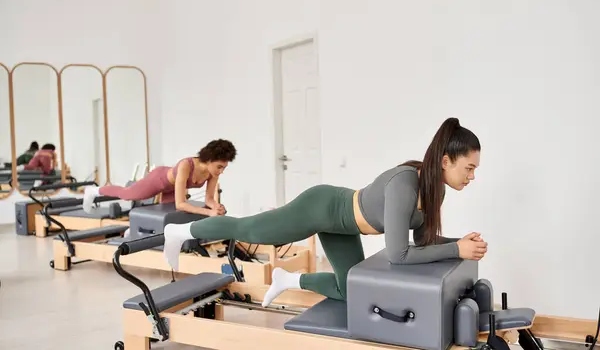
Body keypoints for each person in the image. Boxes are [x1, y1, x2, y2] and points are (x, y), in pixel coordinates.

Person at [162, 118, 487, 307]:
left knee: (349, 291)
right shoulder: (405, 184)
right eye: (469, 168)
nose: (472, 177)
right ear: (446, 161)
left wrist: (459, 242)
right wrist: (456, 249)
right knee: (251, 230)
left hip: (343, 226)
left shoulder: (436, 190)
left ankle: (287, 279)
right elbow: (399, 255)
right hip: (321, 207)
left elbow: (423, 239)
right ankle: (179, 232)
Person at [82, 139, 236, 215]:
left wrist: (216, 206)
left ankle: (132, 233)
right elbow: (180, 204)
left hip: (171, 188)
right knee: (127, 194)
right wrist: (209, 212)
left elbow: (209, 199)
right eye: (219, 167)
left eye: (224, 167)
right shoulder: (186, 165)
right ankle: (94, 191)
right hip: (158, 180)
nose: (221, 171)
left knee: (168, 217)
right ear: (209, 159)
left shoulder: (212, 173)